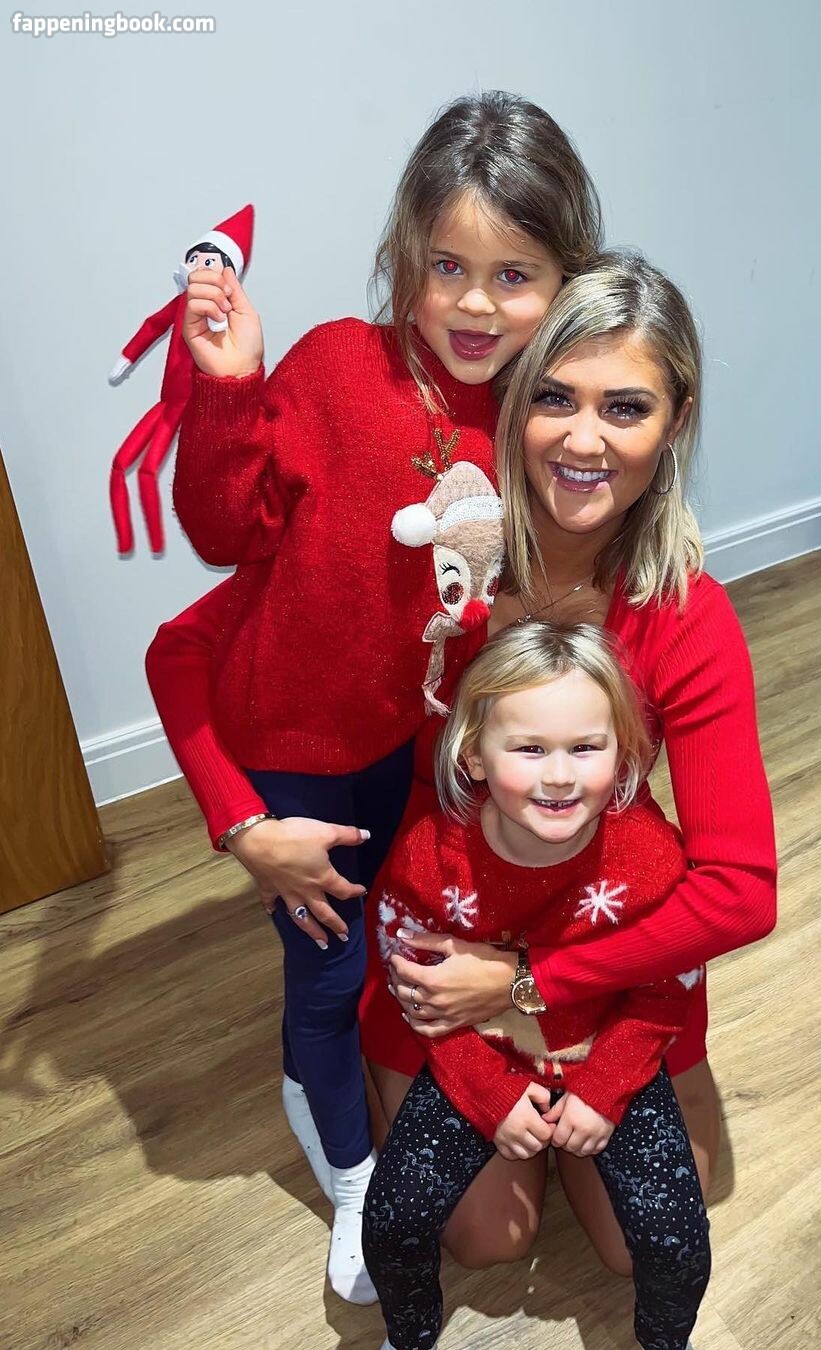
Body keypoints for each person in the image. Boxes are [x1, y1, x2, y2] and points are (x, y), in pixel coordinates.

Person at [147, 252, 776, 1279]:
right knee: (487, 1240)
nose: (584, 441)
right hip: (441, 927)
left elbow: (741, 891)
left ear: (675, 425)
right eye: (555, 399)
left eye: (625, 408)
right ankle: (351, 1063)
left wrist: (530, 985)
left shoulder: (682, 613)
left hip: (598, 935)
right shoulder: (431, 564)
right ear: (515, 406)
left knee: (650, 1240)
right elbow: (185, 650)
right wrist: (243, 824)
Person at [156, 90, 602, 1303]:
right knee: (325, 974)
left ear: (563, 280)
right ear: (405, 255)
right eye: (448, 266)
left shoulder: (541, 416)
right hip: (292, 753)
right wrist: (228, 389)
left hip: (420, 751)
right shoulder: (336, 367)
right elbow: (219, 531)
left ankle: (422, 1079)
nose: (475, 303)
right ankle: (353, 1177)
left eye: (514, 276)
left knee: (402, 946)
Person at [363, 620, 710, 1350]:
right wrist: (488, 1092)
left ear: (623, 752)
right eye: (529, 749)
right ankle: (410, 1336)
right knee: (394, 1218)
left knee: (675, 1239)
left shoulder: (652, 857)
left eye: (585, 747)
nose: (559, 776)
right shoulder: (429, 859)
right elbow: (419, 993)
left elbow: (664, 989)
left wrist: (605, 1087)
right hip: (480, 1050)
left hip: (607, 1049)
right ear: (473, 754)